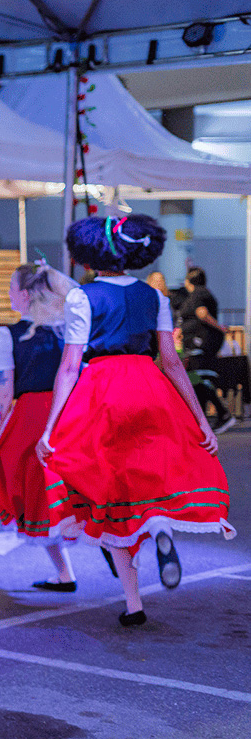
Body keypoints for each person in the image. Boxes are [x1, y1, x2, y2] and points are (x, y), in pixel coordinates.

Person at [37, 215, 234, 626]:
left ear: (90, 255)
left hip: (102, 391)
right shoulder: (154, 296)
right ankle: (158, 533)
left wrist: (51, 426)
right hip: (149, 387)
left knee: (110, 495)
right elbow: (171, 361)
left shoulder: (83, 297)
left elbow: (70, 366)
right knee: (152, 479)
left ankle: (134, 602)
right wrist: (200, 419)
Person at [0, 262, 78, 590]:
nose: (9, 294)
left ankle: (65, 572)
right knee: (77, 489)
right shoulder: (67, 330)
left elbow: (5, 392)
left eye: (11, 288)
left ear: (24, 294)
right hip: (71, 413)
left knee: (37, 494)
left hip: (32, 418)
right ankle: (97, 559)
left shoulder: (9, 336)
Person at [180, 267, 236, 434]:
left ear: (188, 281)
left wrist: (219, 327)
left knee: (199, 377)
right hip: (199, 342)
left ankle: (223, 414)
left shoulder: (198, 294)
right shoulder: (203, 293)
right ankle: (202, 420)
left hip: (201, 341)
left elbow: (202, 313)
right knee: (197, 378)